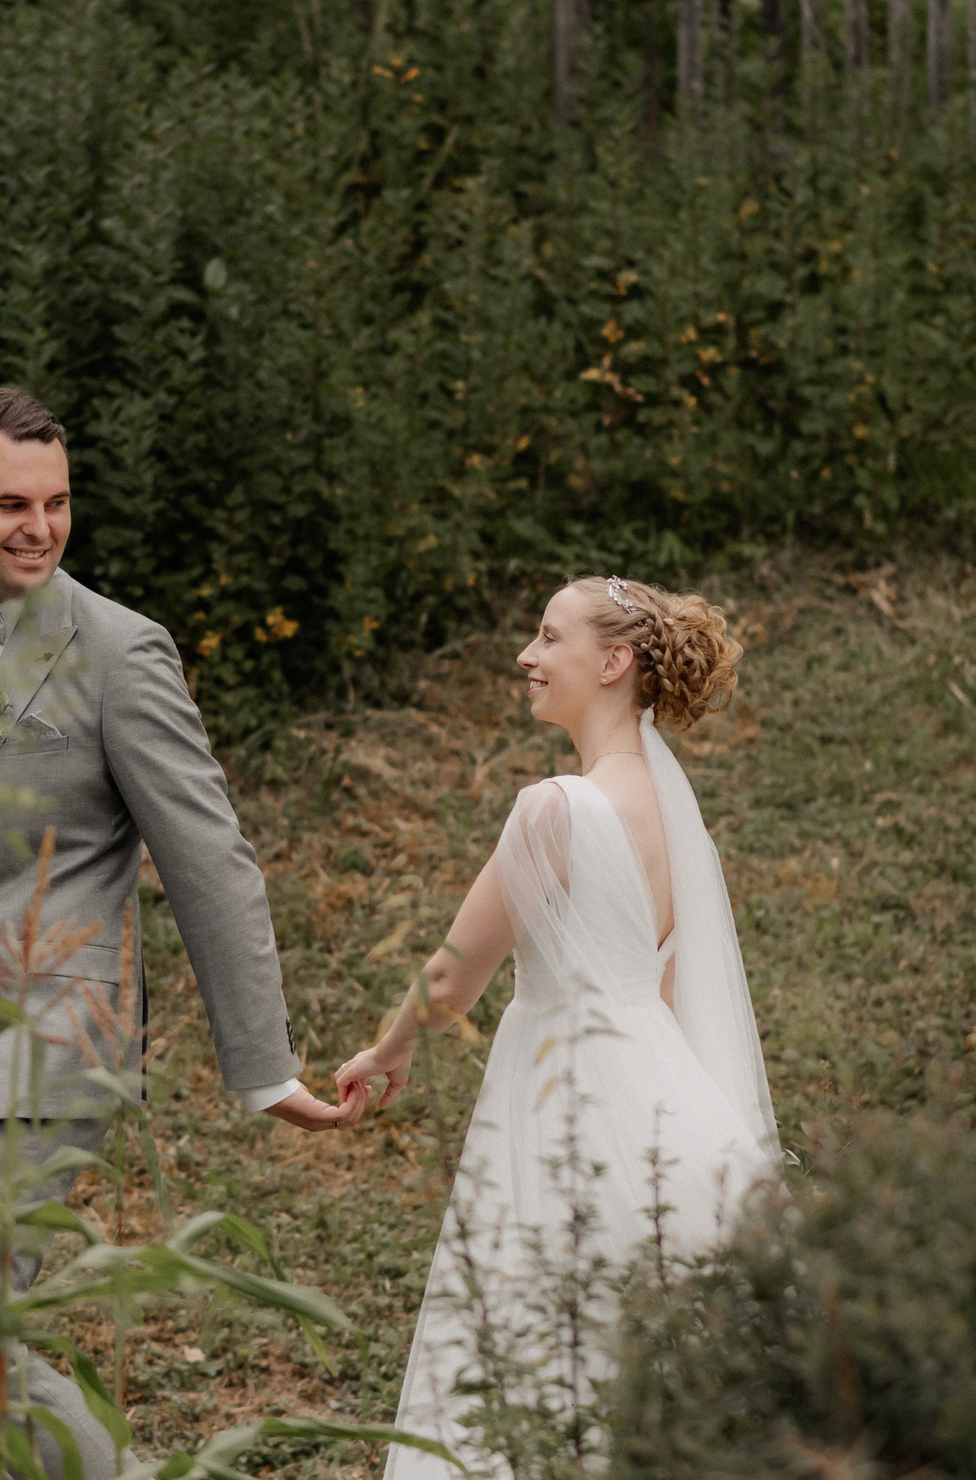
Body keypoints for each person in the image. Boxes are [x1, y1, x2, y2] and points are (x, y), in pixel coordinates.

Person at [0, 387, 352, 1480]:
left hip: (40, 1045)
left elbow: (210, 859)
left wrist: (263, 1065)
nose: (40, 527)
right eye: (11, 505)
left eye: (56, 503)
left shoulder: (119, 651)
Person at [334, 576, 782, 1480]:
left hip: (560, 1095)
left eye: (548, 638)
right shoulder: (675, 820)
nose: (526, 657)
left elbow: (453, 978)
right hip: (661, 1096)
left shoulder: (556, 808)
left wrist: (387, 1051)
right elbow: (667, 984)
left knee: (533, 1339)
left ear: (613, 662)